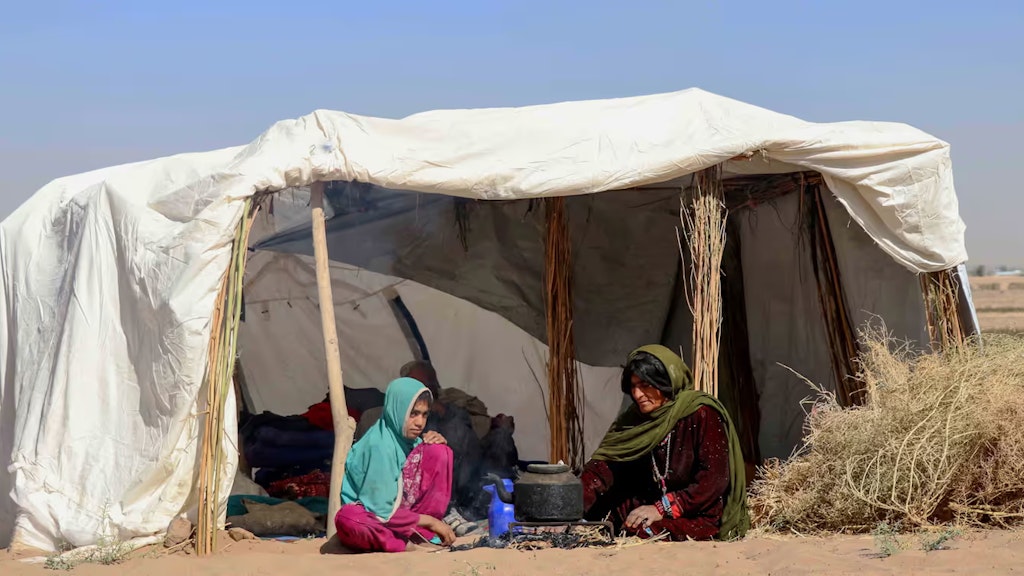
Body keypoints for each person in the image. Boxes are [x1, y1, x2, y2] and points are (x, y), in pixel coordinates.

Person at [580, 345, 749, 541]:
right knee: (600, 520)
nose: (637, 395)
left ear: (666, 382)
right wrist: (569, 502)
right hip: (647, 505)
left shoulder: (700, 414)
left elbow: (713, 480)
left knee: (644, 532)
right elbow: (604, 469)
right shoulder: (634, 421)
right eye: (633, 387)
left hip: (698, 514)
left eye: (645, 385)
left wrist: (662, 508)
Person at [335, 378, 457, 552]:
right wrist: (432, 522)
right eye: (413, 414)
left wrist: (434, 442)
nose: (420, 422)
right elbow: (380, 511)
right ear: (396, 411)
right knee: (349, 519)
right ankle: (401, 542)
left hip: (405, 518)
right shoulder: (379, 446)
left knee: (439, 451)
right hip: (374, 518)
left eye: (424, 414)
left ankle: (421, 534)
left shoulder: (409, 441)